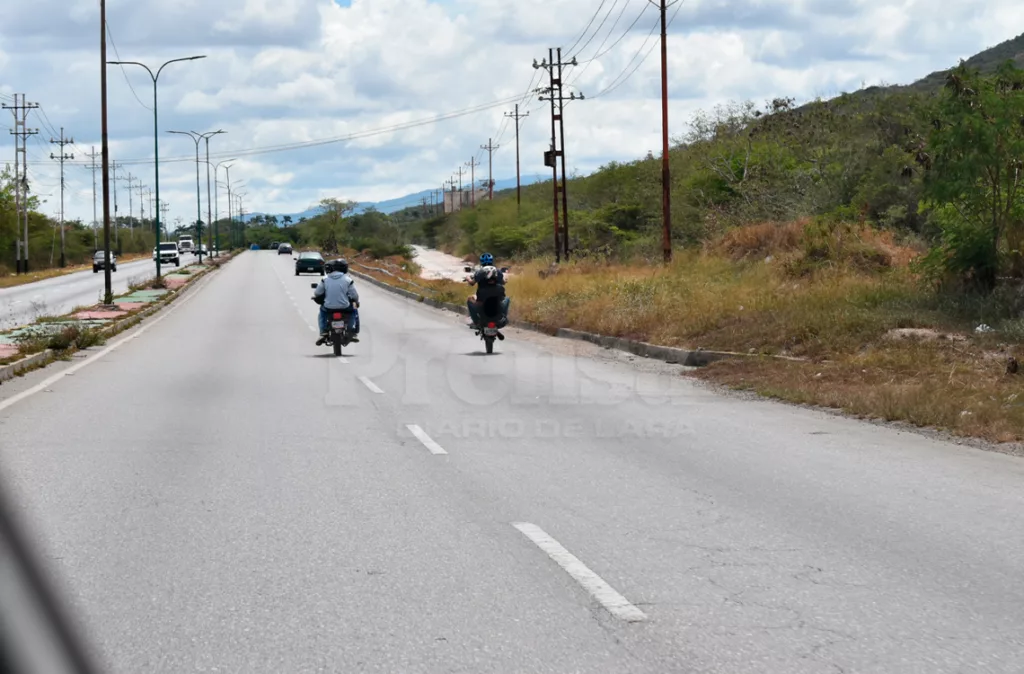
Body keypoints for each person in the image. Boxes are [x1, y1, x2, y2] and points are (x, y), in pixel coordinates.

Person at [313, 258, 360, 344]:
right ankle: (351, 330)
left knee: (322, 312)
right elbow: (354, 295)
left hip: (328, 307)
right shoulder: (348, 279)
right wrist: (356, 301)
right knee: (354, 310)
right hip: (345, 307)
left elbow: (317, 293)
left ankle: (323, 332)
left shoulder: (325, 279)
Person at [466, 252, 510, 328]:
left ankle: (476, 322)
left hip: (482, 298)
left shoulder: (479, 272)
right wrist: (505, 280)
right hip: (497, 298)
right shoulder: (498, 272)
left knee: (470, 300)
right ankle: (503, 318)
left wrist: (467, 278)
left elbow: (472, 283)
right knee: (507, 299)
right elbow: (503, 282)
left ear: (481, 262)